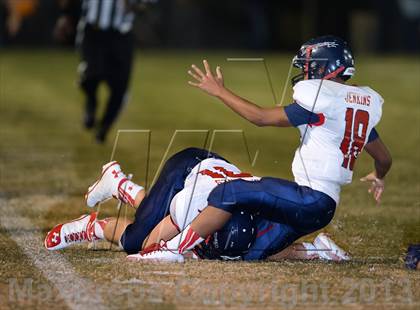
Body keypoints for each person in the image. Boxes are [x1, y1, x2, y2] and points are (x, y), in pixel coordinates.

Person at [129, 35, 392, 263]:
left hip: (310, 198)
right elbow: (384, 158)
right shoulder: (356, 105)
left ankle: (171, 249)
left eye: (311, 67)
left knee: (229, 192)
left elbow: (260, 117)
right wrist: (378, 176)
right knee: (251, 253)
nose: (306, 73)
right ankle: (318, 250)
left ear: (327, 68)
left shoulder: (322, 100)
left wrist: (220, 91)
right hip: (322, 208)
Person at [44, 148, 350, 262]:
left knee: (254, 252)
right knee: (137, 239)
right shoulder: (193, 209)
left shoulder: (256, 222)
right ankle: (92, 225)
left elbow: (270, 250)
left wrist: (315, 251)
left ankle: (122, 185)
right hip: (187, 169)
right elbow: (151, 244)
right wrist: (172, 249)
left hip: (218, 176)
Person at [54, 0, 152, 143]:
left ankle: (105, 127)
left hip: (121, 35)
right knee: (91, 74)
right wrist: (65, 15)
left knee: (120, 87)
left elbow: (147, 4)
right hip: (93, 31)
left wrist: (135, 5)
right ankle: (91, 101)